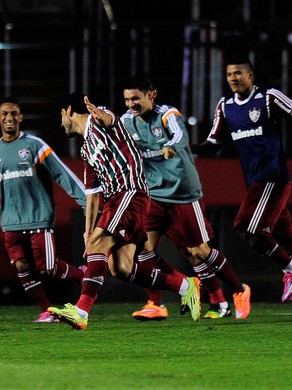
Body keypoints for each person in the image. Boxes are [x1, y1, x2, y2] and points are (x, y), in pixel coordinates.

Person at [191, 55, 292, 315]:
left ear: (251, 75)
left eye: (239, 73)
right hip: (255, 182)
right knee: (290, 241)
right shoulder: (225, 106)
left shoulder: (268, 98)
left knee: (246, 227)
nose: (233, 78)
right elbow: (213, 145)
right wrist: (187, 148)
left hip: (273, 176)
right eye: (229, 74)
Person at [47, 92, 202, 330]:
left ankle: (81, 311)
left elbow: (109, 118)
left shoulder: (102, 123)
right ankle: (186, 286)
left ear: (69, 110)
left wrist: (97, 112)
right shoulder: (87, 150)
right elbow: (92, 196)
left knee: (99, 245)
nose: (60, 123)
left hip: (130, 193)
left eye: (60, 116)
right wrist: (87, 232)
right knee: (121, 268)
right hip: (115, 201)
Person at [121, 74, 251, 321]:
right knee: (144, 248)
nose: (131, 104)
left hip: (182, 194)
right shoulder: (128, 121)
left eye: (135, 98)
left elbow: (181, 137)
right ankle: (155, 303)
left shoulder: (167, 114)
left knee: (198, 252)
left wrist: (171, 144)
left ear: (151, 95)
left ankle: (237, 291)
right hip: (153, 195)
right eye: (127, 99)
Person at [0, 96, 87, 323]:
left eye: (14, 114)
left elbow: (62, 174)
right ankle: (48, 310)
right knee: (21, 266)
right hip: (10, 222)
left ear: (21, 118)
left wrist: (86, 201)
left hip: (38, 218)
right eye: (5, 114)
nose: (9, 118)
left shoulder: (35, 146)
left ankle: (82, 275)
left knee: (48, 269)